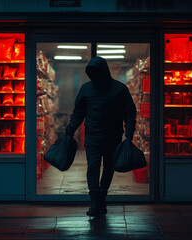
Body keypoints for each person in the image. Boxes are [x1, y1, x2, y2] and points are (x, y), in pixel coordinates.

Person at [65, 56, 137, 217]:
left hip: (112, 138)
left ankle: (100, 198)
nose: (95, 76)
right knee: (93, 168)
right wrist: (70, 129)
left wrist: (130, 131)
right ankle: (96, 200)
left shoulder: (119, 89)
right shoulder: (91, 89)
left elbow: (129, 112)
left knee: (107, 169)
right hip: (94, 138)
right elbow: (79, 112)